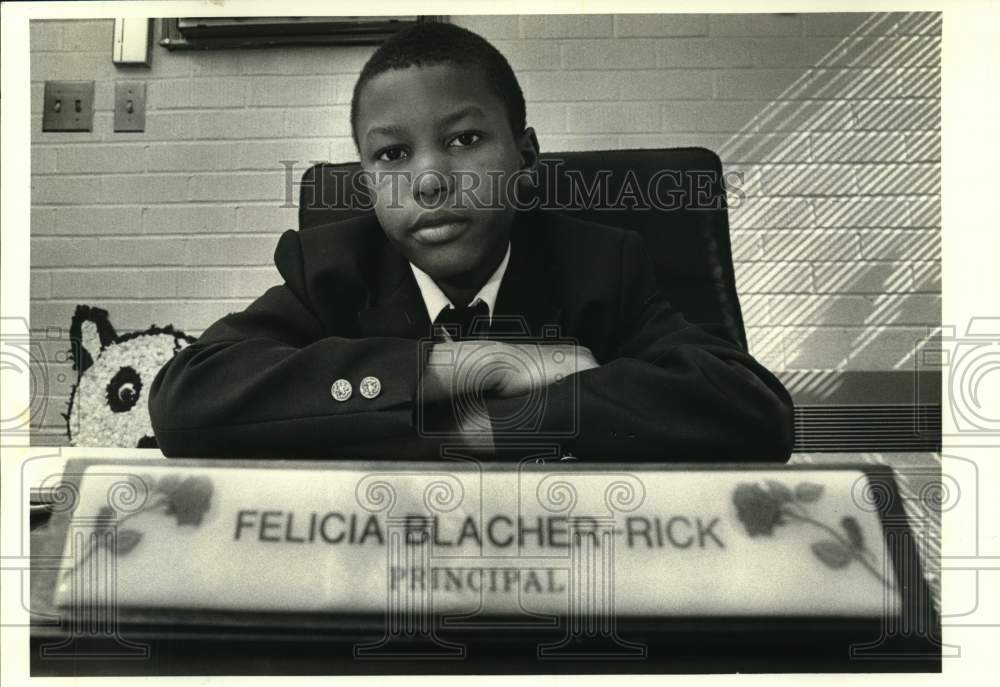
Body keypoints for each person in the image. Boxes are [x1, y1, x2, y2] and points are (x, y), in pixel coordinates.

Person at [149, 22, 794, 463]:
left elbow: (752, 410)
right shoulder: (333, 268)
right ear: (367, 180)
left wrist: (493, 427)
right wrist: (467, 365)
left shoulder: (602, 265)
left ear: (526, 157)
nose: (429, 181)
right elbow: (185, 401)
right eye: (393, 154)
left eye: (464, 140)